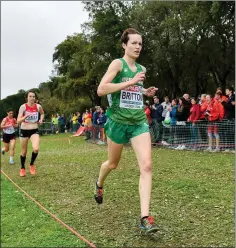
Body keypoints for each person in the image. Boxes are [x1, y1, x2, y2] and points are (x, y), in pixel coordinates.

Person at [94, 28, 159, 233]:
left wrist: (143, 91)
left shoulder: (142, 68)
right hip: (117, 122)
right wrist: (130, 82)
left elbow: (133, 90)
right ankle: (99, 182)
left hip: (138, 122)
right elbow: (102, 89)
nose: (138, 46)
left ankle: (145, 217)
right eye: (134, 43)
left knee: (147, 166)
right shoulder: (117, 64)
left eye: (140, 43)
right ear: (124, 45)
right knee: (112, 163)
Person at [17, 90, 44, 177]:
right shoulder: (23, 107)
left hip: (34, 130)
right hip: (24, 130)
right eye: (30, 96)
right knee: (23, 152)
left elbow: (42, 114)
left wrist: (41, 119)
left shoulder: (38, 106)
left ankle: (31, 164)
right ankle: (22, 168)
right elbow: (18, 121)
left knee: (36, 149)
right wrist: (24, 117)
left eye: (33, 96)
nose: (32, 98)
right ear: (27, 98)